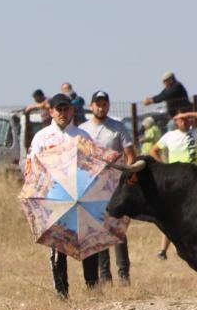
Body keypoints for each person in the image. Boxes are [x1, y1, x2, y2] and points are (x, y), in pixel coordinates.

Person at [27, 94, 86, 298]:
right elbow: (32, 166)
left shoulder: (82, 136)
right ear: (51, 111)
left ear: (72, 110)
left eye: (66, 109)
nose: (62, 113)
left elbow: (94, 165)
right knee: (57, 245)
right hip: (54, 197)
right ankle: (62, 292)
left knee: (86, 242)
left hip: (80, 197)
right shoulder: (42, 137)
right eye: (58, 110)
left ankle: (93, 287)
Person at [78, 91, 134, 286]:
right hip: (92, 187)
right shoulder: (83, 130)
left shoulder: (117, 127)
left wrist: (128, 177)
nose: (101, 107)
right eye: (97, 104)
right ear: (92, 106)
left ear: (108, 105)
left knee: (118, 228)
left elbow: (130, 154)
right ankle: (105, 276)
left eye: (104, 104)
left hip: (116, 186)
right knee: (99, 230)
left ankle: (124, 274)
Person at [151, 110, 197, 259]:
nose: (185, 121)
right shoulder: (169, 136)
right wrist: (165, 167)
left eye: (188, 119)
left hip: (196, 178)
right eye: (182, 119)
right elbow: (154, 150)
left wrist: (189, 113)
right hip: (176, 179)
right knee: (171, 214)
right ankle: (163, 250)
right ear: (175, 121)